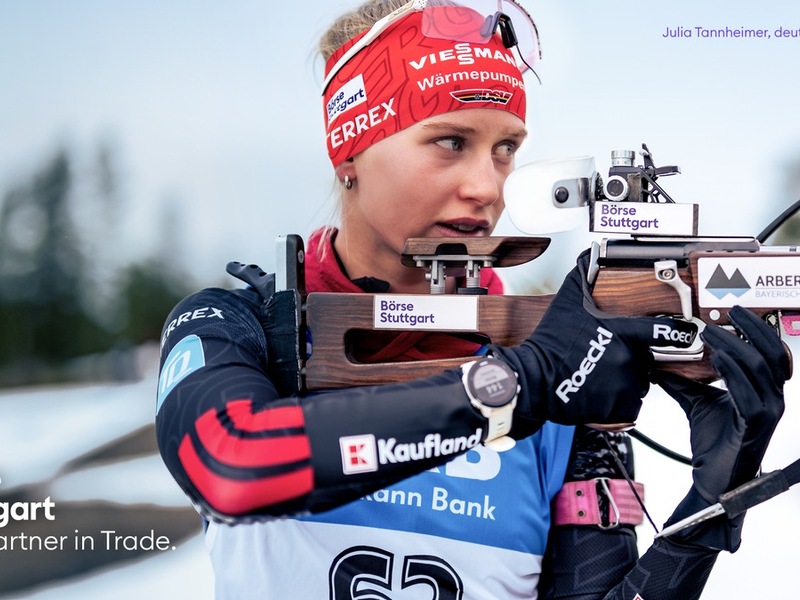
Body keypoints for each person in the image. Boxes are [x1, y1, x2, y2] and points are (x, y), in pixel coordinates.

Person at [155, 1, 789, 598]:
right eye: (451, 142)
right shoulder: (238, 326)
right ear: (347, 150)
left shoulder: (561, 363)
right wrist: (515, 387)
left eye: (506, 149)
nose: (488, 187)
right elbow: (231, 464)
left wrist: (709, 506)